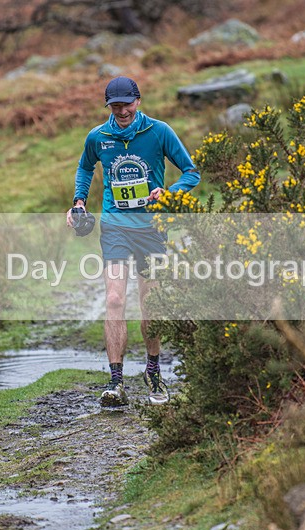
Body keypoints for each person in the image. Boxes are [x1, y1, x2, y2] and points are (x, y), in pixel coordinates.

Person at [66, 76, 200, 407]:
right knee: (113, 299)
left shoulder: (159, 132)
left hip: (152, 228)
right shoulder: (99, 136)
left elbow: (191, 172)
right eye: (115, 106)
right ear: (109, 106)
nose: (122, 111)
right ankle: (116, 382)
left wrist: (169, 193)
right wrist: (79, 201)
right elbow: (85, 168)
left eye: (127, 104)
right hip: (115, 226)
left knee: (150, 304)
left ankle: (153, 372)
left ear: (138, 101)